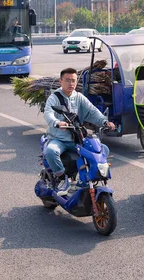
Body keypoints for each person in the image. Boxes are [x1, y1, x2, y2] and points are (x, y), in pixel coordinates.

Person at [44, 67, 116, 195]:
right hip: (58, 139)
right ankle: (62, 179)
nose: (71, 83)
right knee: (50, 151)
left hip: (76, 139)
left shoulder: (79, 97)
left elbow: (92, 111)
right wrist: (57, 122)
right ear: (60, 81)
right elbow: (48, 114)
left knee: (103, 149)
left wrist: (105, 122)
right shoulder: (54, 98)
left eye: (73, 81)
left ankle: (83, 181)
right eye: (67, 80)